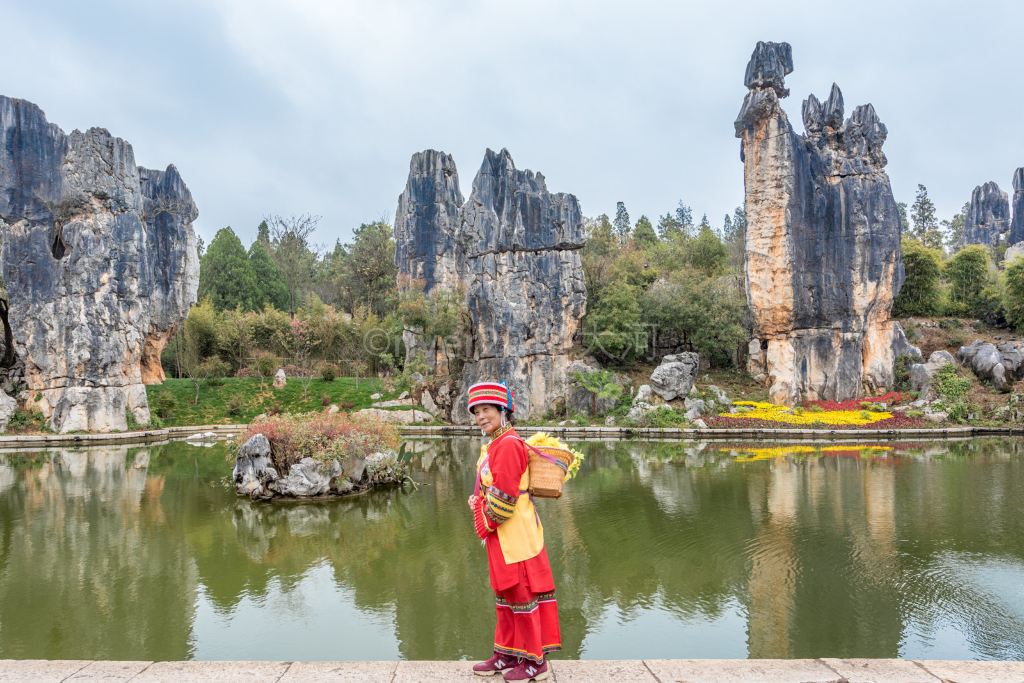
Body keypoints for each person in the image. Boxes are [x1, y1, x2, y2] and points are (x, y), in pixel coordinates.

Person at [468, 381, 560, 681]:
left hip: (515, 532)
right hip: (502, 534)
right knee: (505, 593)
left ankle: (536, 661)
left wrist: (482, 516)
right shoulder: (496, 442)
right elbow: (490, 486)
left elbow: (505, 496)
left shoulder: (508, 444)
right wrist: (479, 499)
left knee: (522, 592)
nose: (481, 416)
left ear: (503, 410)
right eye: (476, 412)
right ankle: (507, 653)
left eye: (487, 410)